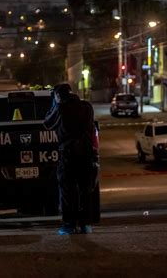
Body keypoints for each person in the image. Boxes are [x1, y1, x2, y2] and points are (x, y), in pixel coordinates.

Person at [44, 83, 98, 235]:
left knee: (68, 191)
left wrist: (55, 105)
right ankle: (85, 224)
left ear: (58, 96)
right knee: (85, 190)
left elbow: (47, 123)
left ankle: (69, 225)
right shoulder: (87, 107)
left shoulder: (61, 108)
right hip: (86, 155)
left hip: (68, 156)